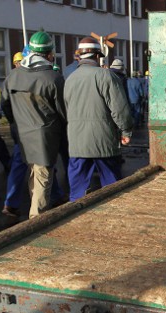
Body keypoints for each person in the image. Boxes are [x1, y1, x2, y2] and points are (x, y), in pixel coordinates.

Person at [1, 31, 66, 218]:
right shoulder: (53, 78)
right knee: (43, 178)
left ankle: (34, 213)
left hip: (21, 134)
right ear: (49, 53)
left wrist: (16, 122)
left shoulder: (13, 76)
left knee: (32, 175)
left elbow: (5, 105)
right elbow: (63, 111)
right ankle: (36, 222)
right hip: (45, 136)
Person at [64, 37, 132, 202]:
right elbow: (119, 109)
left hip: (77, 143)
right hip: (104, 142)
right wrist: (125, 131)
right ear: (97, 56)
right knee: (113, 189)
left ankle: (75, 219)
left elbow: (67, 109)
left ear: (79, 56)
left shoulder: (69, 79)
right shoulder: (106, 76)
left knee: (77, 192)